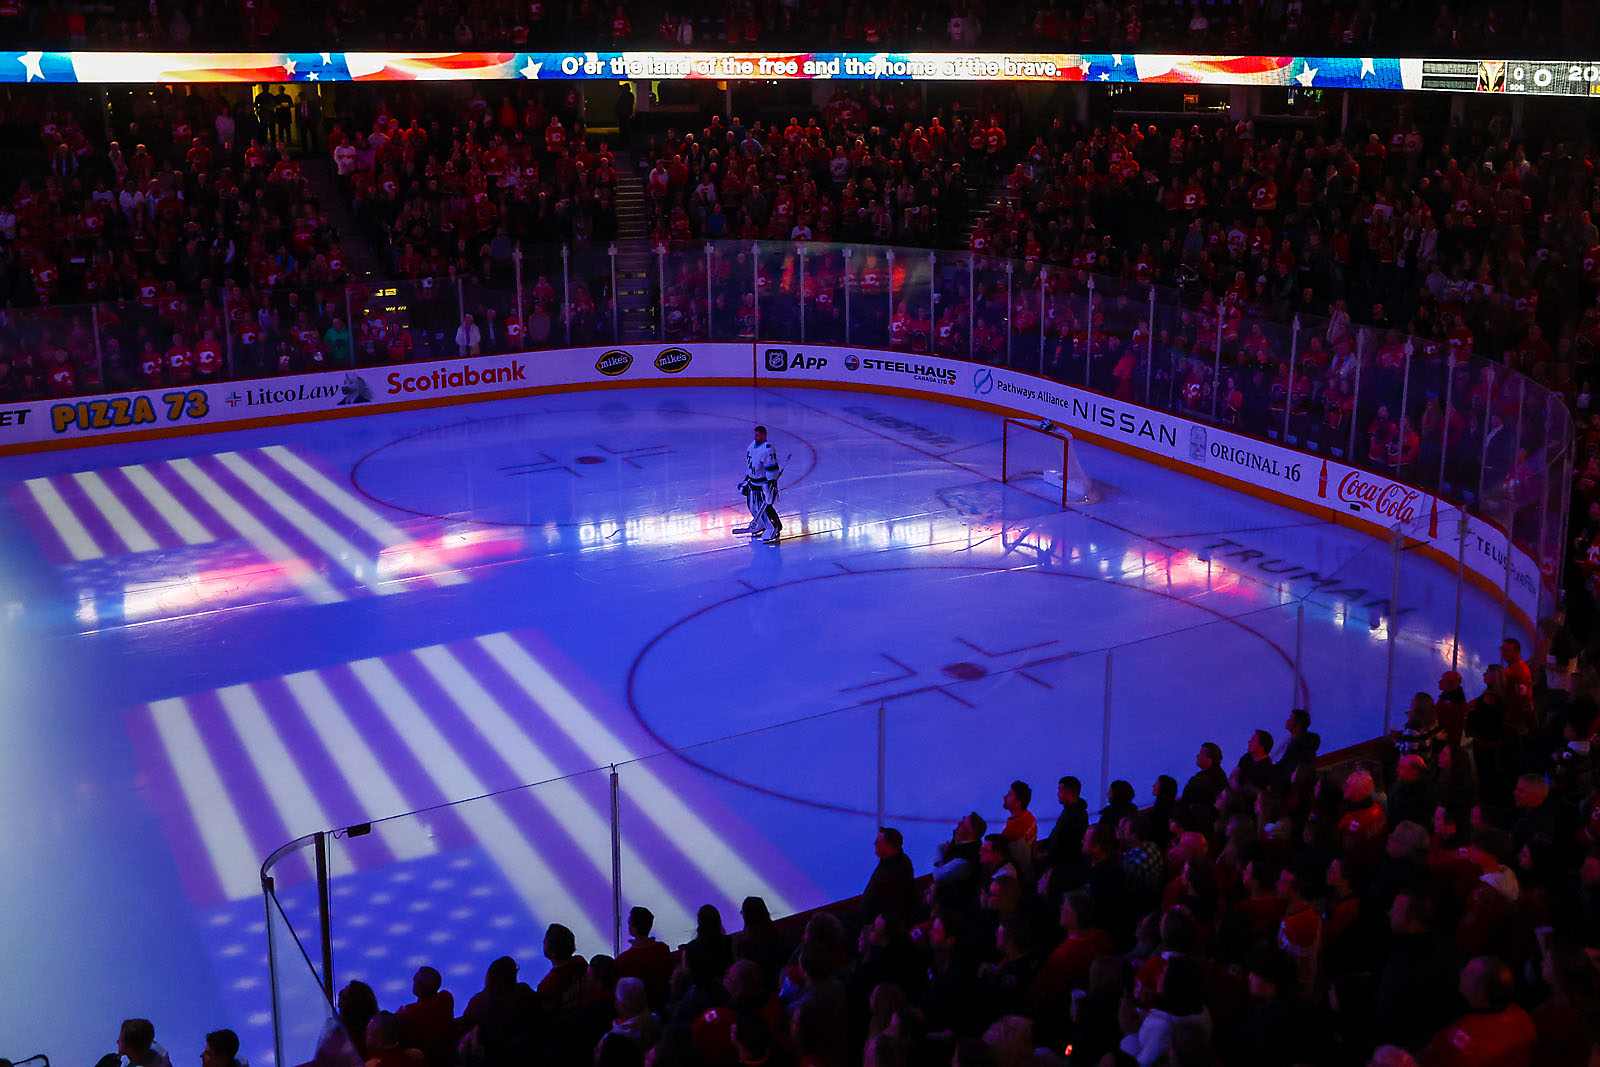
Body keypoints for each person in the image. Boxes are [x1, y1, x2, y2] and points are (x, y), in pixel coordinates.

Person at [739, 424, 783, 543]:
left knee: (764, 507)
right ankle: (761, 524)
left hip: (763, 484)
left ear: (764, 435)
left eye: (758, 434)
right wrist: (746, 478)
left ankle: (774, 527)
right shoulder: (751, 446)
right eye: (755, 434)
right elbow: (750, 465)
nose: (756, 436)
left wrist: (771, 483)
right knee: (752, 506)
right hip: (752, 482)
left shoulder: (768, 449)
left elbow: (772, 468)